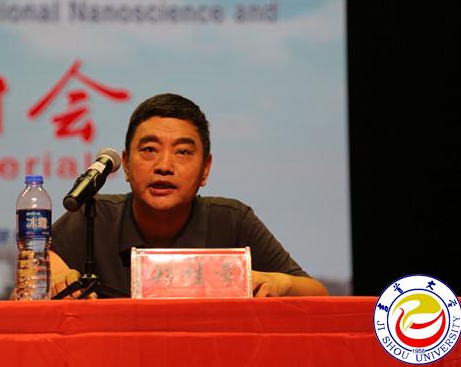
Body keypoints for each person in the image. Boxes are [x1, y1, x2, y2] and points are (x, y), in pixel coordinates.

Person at [50, 93, 329, 298]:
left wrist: (282, 284)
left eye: (182, 152)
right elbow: (36, 267)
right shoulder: (93, 217)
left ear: (205, 169)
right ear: (126, 164)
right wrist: (54, 276)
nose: (164, 165)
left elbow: (317, 293)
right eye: (149, 150)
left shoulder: (232, 221)